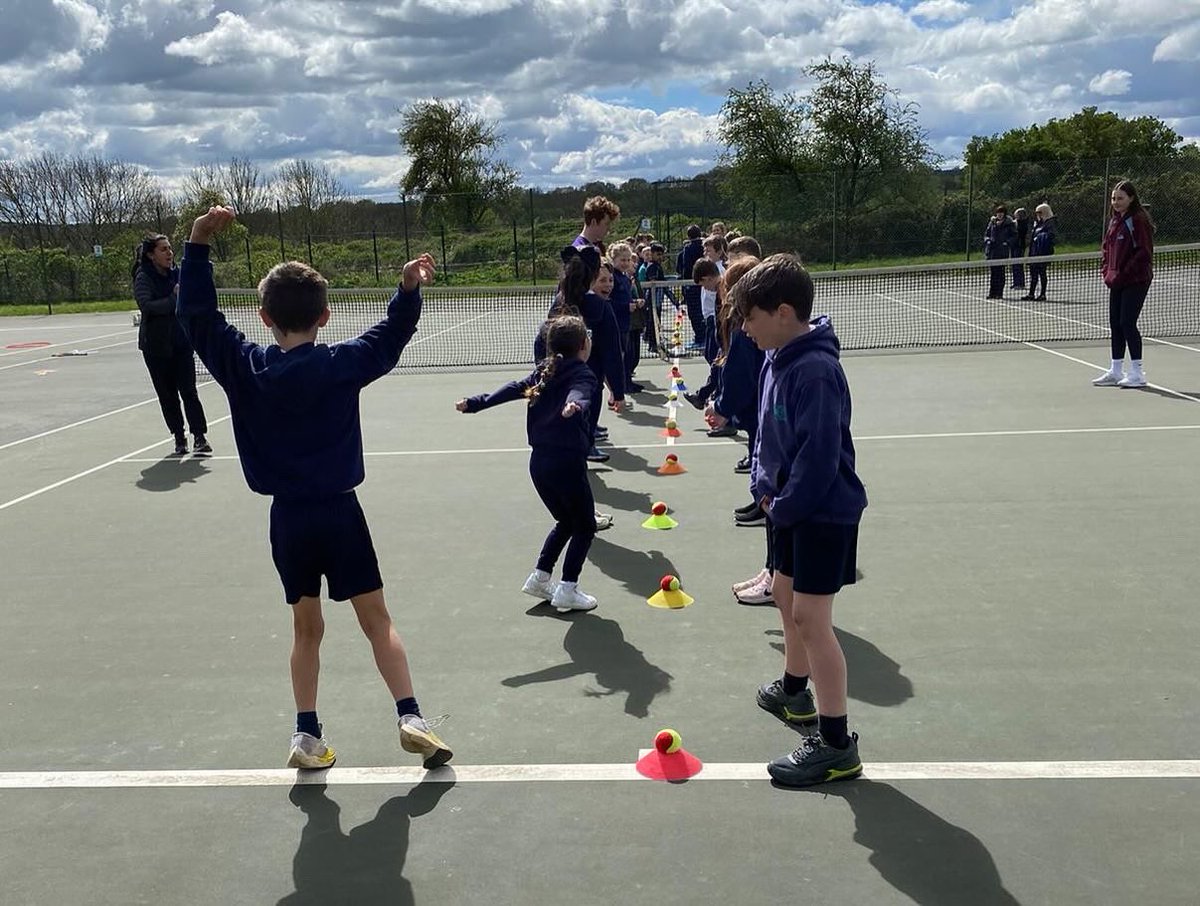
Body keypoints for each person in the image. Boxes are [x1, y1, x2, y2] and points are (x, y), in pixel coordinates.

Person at [174, 206, 452, 772]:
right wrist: (406, 290)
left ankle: (306, 735)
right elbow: (389, 337)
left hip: (289, 522)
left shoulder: (245, 367)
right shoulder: (339, 364)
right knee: (377, 620)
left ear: (263, 316)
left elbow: (198, 316)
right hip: (341, 515)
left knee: (306, 629)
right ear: (325, 317)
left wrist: (198, 244)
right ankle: (411, 716)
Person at [731, 253, 868, 788]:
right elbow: (767, 433)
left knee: (813, 619)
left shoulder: (814, 368)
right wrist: (763, 487)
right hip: (787, 506)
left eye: (750, 316)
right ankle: (793, 692)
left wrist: (783, 505)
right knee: (784, 598)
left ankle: (836, 745)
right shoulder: (777, 356)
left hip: (821, 512)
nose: (744, 327)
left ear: (783, 312)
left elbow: (819, 455)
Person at [456, 315, 600, 613]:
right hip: (567, 464)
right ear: (583, 345)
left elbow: (511, 388)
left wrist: (475, 402)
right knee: (585, 526)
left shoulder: (542, 372)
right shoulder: (582, 373)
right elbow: (580, 393)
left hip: (540, 465)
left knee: (566, 522)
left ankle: (539, 578)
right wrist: (575, 405)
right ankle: (568, 588)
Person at [132, 234, 210, 456]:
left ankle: (200, 437)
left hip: (181, 343)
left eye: (170, 249)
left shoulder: (178, 274)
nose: (169, 253)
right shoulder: (143, 277)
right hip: (155, 346)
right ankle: (179, 437)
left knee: (189, 391)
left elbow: (190, 297)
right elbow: (147, 305)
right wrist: (174, 298)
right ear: (151, 254)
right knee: (167, 395)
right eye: (163, 249)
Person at [1094, 180, 1155, 389]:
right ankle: (1116, 369)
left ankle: (1137, 372)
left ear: (1131, 198)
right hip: (1117, 281)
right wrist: (1107, 272)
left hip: (1136, 280)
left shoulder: (1137, 220)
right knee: (1115, 324)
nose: (1116, 202)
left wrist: (1124, 273)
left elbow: (1143, 253)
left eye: (1120, 198)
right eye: (1113, 198)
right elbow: (1106, 250)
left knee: (1128, 322)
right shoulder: (1114, 221)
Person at [676, 225, 706, 348]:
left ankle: (700, 338)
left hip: (692, 284)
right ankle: (702, 337)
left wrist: (685, 283)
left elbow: (685, 267)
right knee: (703, 311)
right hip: (704, 283)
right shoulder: (705, 245)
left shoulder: (688, 249)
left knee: (694, 312)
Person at [1023, 203, 1056, 302]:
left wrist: (1041, 237)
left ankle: (1042, 294)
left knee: (1042, 273)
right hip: (1034, 251)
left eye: (1040, 213)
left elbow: (1051, 236)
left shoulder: (1050, 223)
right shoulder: (1037, 223)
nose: (1038, 215)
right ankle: (1031, 293)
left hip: (1043, 252)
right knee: (1033, 274)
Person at [983, 205, 1016, 299]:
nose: (1000, 214)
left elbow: (1014, 236)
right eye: (998, 212)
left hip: (1002, 252)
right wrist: (988, 240)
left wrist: (1007, 243)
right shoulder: (992, 223)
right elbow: (986, 234)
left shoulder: (1009, 223)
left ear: (1004, 214)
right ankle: (992, 292)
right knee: (993, 273)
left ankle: (999, 293)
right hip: (992, 251)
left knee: (1000, 273)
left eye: (1001, 213)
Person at [1011, 208, 1030, 291]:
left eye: (1017, 214)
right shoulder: (1015, 223)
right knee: (1014, 264)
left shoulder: (1023, 224)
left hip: (1020, 246)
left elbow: (1020, 234)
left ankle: (1020, 283)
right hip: (1014, 246)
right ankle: (1016, 282)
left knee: (1018, 265)